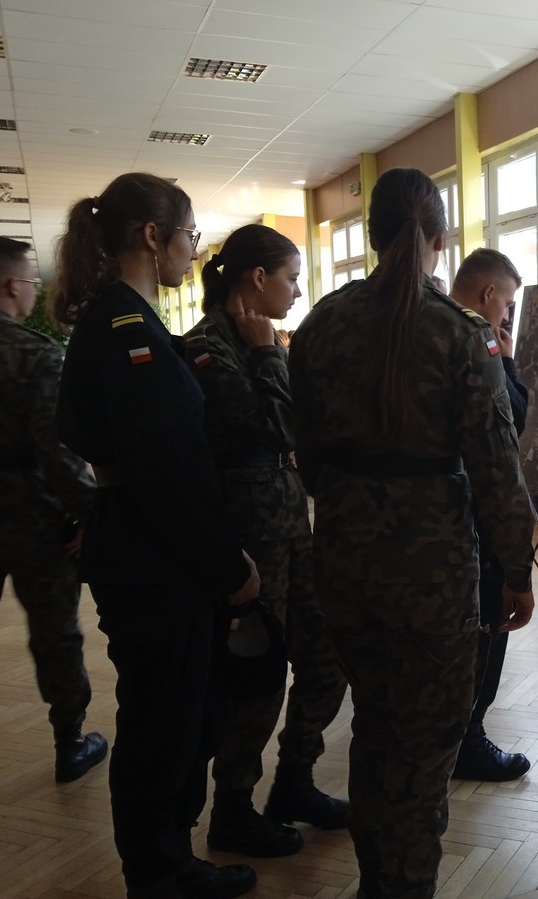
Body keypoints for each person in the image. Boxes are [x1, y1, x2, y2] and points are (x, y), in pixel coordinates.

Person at [290, 168, 538, 899]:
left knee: (374, 725)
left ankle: (377, 881)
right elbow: (498, 473)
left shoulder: (321, 326)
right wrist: (516, 570)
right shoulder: (461, 335)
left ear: (372, 235)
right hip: (432, 579)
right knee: (426, 747)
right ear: (439, 239)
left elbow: (306, 454)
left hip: (343, 564)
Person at [51, 172, 261, 899]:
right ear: (152, 236)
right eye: (190, 236)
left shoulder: (121, 322)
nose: (193, 251)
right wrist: (228, 565)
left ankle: (168, 861)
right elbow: (172, 477)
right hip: (156, 558)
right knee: (162, 726)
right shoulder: (126, 330)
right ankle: (160, 873)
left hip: (144, 546)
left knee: (174, 717)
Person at [184, 223, 349, 858]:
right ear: (258, 278)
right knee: (258, 676)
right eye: (291, 278)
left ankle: (294, 782)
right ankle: (233, 809)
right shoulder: (208, 347)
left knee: (326, 657)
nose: (298, 291)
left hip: (290, 528)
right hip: (249, 540)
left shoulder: (260, 343)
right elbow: (281, 427)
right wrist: (266, 355)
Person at [0, 236, 107, 783]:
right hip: (34, 521)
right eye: (30, 281)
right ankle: (70, 741)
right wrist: (92, 516)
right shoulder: (36, 354)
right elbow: (57, 452)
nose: (34, 291)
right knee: (56, 634)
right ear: (10, 286)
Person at [446, 248, 532, 782]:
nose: (506, 314)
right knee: (484, 629)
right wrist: (509, 359)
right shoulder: (476, 338)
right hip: (473, 515)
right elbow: (513, 418)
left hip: (415, 522)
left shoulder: (417, 325)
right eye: (507, 303)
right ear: (488, 295)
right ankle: (468, 739)